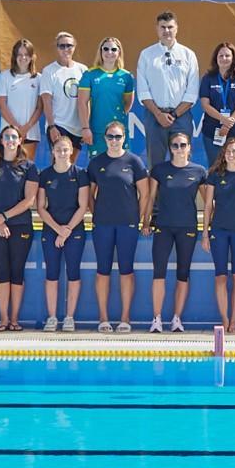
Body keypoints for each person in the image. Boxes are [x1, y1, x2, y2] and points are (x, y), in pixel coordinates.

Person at [87, 121, 149, 333]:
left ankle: (125, 317)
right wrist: (98, 214)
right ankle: (103, 317)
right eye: (110, 137)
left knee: (126, 271)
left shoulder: (134, 161)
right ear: (105, 139)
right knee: (102, 271)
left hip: (127, 225)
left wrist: (137, 217)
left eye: (118, 137)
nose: (114, 141)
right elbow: (90, 195)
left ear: (125, 138)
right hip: (103, 224)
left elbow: (145, 193)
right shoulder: (97, 163)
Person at [144, 131, 207, 333]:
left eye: (183, 145)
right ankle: (157, 318)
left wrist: (207, 228)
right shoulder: (160, 170)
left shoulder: (199, 171)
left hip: (187, 228)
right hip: (163, 227)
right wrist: (145, 222)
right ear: (170, 148)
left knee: (183, 274)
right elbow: (150, 197)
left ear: (189, 148)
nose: (179, 149)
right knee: (159, 273)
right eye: (175, 145)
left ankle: (176, 318)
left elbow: (209, 203)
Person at [0, 125, 39, 332]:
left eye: (15, 137)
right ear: (2, 141)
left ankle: (14, 319)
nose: (11, 140)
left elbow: (29, 200)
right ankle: (3, 319)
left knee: (16, 272)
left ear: (20, 141)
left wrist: (4, 217)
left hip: (20, 225)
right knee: (2, 271)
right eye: (7, 137)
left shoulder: (29, 167)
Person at [201, 138, 235, 332]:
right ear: (223, 154)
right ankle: (224, 319)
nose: (231, 154)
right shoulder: (215, 175)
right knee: (221, 277)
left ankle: (234, 321)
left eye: (234, 151)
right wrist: (205, 233)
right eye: (228, 151)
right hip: (219, 231)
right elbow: (208, 206)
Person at [36, 136, 89, 333]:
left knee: (73, 273)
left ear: (71, 152)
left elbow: (83, 206)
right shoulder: (45, 175)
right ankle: (52, 317)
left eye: (66, 150)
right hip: (51, 230)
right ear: (53, 152)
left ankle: (69, 317)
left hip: (74, 230)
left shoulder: (80, 174)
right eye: (59, 150)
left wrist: (66, 231)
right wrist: (58, 230)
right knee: (52, 273)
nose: (63, 153)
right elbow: (41, 207)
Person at [136, 11, 200, 168]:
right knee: (155, 164)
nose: (167, 31)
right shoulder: (146, 55)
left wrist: (173, 114)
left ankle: (180, 193)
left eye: (170, 27)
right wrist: (159, 114)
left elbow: (191, 92)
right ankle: (155, 194)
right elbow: (143, 91)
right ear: (157, 29)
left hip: (181, 117)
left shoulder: (188, 55)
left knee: (181, 162)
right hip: (154, 116)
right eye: (163, 27)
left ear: (176, 28)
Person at [78, 37, 136, 158]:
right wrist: (85, 128)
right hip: (97, 130)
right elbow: (82, 103)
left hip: (119, 131)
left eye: (113, 49)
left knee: (121, 166)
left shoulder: (126, 76)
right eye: (106, 49)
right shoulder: (90, 74)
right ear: (101, 51)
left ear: (119, 52)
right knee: (97, 168)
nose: (109, 52)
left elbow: (127, 103)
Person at [198, 42, 235, 166]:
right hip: (212, 131)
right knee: (215, 166)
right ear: (215, 58)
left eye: (227, 56)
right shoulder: (208, 78)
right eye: (220, 56)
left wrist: (229, 121)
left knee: (234, 166)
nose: (224, 59)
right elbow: (205, 104)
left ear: (233, 58)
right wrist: (222, 118)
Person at [40, 31, 87, 164]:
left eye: (69, 46)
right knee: (58, 163)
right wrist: (52, 126)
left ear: (74, 46)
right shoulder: (49, 71)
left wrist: (85, 126)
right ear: (57, 48)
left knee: (71, 164)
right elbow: (46, 101)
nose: (66, 49)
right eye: (62, 46)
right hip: (59, 124)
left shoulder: (83, 70)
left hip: (77, 126)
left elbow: (87, 101)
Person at [0, 39, 42, 161]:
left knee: (27, 169)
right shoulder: (4, 77)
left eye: (27, 54)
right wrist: (16, 129)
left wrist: (26, 128)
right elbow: (1, 106)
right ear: (14, 56)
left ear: (32, 57)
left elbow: (40, 107)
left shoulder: (39, 79)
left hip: (30, 132)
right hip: (9, 133)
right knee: (9, 169)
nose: (23, 58)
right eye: (20, 54)